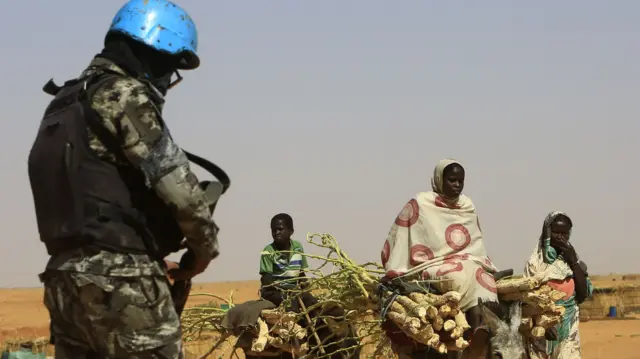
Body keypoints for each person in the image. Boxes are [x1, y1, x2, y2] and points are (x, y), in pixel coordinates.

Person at [26, 1, 220, 358]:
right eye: (169, 68)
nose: (166, 82)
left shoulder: (63, 103)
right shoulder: (123, 94)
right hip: (122, 281)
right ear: (157, 53)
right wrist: (202, 249)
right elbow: (181, 189)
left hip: (64, 281)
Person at [380, 158, 502, 355]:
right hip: (429, 264)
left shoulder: (467, 205)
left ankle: (479, 326)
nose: (456, 185)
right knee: (459, 275)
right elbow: (400, 236)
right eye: (452, 180)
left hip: (466, 260)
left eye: (460, 181)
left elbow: (474, 243)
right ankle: (466, 330)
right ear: (439, 180)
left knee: (483, 276)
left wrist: (472, 260)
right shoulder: (421, 202)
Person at [524, 211, 593, 359]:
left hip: (569, 327)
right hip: (542, 330)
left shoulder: (572, 259)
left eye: (565, 233)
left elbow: (583, 294)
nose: (561, 237)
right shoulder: (536, 263)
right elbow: (526, 299)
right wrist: (542, 323)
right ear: (547, 232)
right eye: (556, 232)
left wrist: (573, 260)